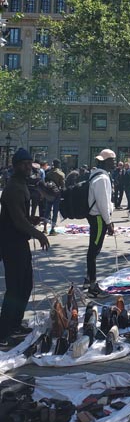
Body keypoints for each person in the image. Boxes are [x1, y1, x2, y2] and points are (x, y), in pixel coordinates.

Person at [0, 148, 49, 347]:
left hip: (20, 241)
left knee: (25, 285)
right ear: (16, 166)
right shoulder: (13, 188)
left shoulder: (21, 185)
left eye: (30, 163)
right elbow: (18, 220)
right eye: (25, 164)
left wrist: (32, 220)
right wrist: (39, 234)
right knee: (14, 288)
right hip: (11, 243)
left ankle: (15, 323)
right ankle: (3, 332)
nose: (29, 167)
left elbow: (21, 217)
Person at [84, 149, 116, 298]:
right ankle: (92, 286)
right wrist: (108, 222)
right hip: (98, 218)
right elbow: (103, 202)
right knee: (94, 251)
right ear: (105, 162)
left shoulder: (96, 174)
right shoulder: (102, 178)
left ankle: (87, 279)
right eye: (112, 160)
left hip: (96, 216)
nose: (115, 162)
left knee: (93, 250)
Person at [44, 158, 65, 236]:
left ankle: (45, 228)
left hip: (49, 194)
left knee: (47, 211)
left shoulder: (48, 173)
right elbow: (62, 185)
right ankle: (52, 229)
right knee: (55, 212)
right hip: (57, 194)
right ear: (58, 165)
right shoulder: (60, 174)